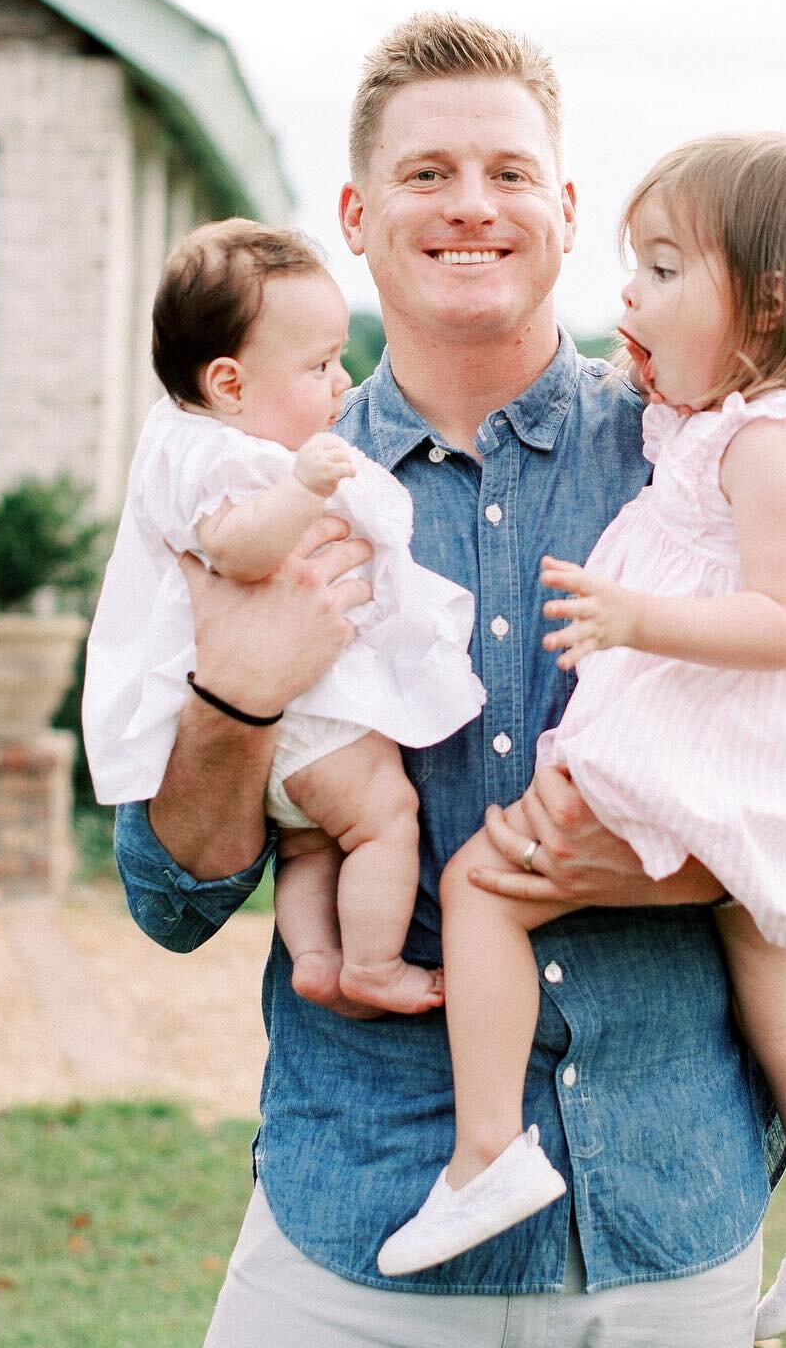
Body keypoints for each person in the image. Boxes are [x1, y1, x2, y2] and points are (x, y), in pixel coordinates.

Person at [113, 12, 786, 1348]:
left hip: (667, 1225)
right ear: (357, 215)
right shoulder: (253, 491)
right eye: (427, 174)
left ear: (565, 207)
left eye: (509, 172)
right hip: (360, 1226)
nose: (471, 204)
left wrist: (686, 858)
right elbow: (168, 892)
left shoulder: (704, 461)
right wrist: (233, 706)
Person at [380, 132, 786, 1339]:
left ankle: (487, 1150)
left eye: (667, 271)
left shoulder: (769, 443)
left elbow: (785, 620)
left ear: (770, 301)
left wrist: (636, 615)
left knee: (483, 883)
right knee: (784, 1005)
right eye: (633, 269)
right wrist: (660, 368)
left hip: (713, 746)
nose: (630, 296)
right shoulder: (723, 420)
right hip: (757, 755)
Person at [84, 220, 484, 1016]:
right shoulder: (233, 456)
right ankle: (370, 963)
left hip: (292, 747)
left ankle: (315, 956)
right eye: (321, 365)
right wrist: (304, 487)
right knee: (382, 819)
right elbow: (236, 547)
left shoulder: (204, 442)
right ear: (231, 385)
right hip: (311, 718)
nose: (343, 382)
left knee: (309, 845)